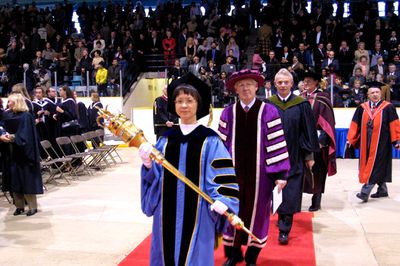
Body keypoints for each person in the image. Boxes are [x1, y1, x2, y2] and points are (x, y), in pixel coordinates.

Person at [138, 73, 239, 265]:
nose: (184, 105)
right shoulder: (165, 139)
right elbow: (156, 178)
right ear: (174, 105)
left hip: (200, 213)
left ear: (198, 105)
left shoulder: (210, 140)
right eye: (179, 101)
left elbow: (222, 175)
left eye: (189, 100)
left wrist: (224, 200)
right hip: (165, 213)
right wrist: (148, 165)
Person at [218, 69, 290, 266]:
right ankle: (233, 254)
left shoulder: (269, 111)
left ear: (256, 87)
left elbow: (277, 143)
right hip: (233, 176)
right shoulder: (228, 112)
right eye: (240, 85)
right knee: (232, 212)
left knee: (258, 215)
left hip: (262, 177)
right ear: (235, 89)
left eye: (249, 84)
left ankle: (252, 256)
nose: (245, 88)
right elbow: (221, 146)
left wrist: (281, 174)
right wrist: (217, 173)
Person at [268, 69, 320, 245]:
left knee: (290, 191)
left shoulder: (301, 104)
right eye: (279, 82)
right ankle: (281, 216)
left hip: (295, 155)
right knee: (275, 191)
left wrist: (309, 155)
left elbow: (307, 131)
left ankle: (284, 228)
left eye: (286, 82)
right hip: (273, 156)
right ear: (275, 84)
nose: (283, 85)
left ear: (291, 84)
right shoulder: (268, 104)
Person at [347, 81, 400, 202]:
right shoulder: (362, 108)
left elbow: (394, 124)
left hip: (382, 143)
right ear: (368, 95)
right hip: (366, 142)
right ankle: (382, 190)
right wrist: (350, 138)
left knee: (375, 165)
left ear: (381, 94)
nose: (375, 94)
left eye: (377, 92)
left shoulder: (388, 107)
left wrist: (397, 140)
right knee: (376, 165)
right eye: (372, 93)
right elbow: (355, 124)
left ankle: (365, 192)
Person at [0, 93, 43, 216]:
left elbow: (26, 134)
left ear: (17, 102)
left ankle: (32, 207)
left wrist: (13, 137)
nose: (7, 104)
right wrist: (2, 135)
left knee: (27, 180)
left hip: (24, 154)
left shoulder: (26, 116)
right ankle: (19, 207)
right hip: (10, 152)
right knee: (14, 180)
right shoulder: (7, 115)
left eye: (10, 101)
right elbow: (1, 126)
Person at [301, 72, 337, 211]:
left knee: (317, 171)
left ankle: (316, 201)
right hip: (302, 141)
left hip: (317, 142)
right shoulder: (300, 98)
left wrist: (322, 141)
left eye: (309, 81)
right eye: (304, 81)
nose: (306, 84)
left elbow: (328, 122)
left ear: (316, 82)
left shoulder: (323, 99)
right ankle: (295, 199)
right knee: (300, 171)